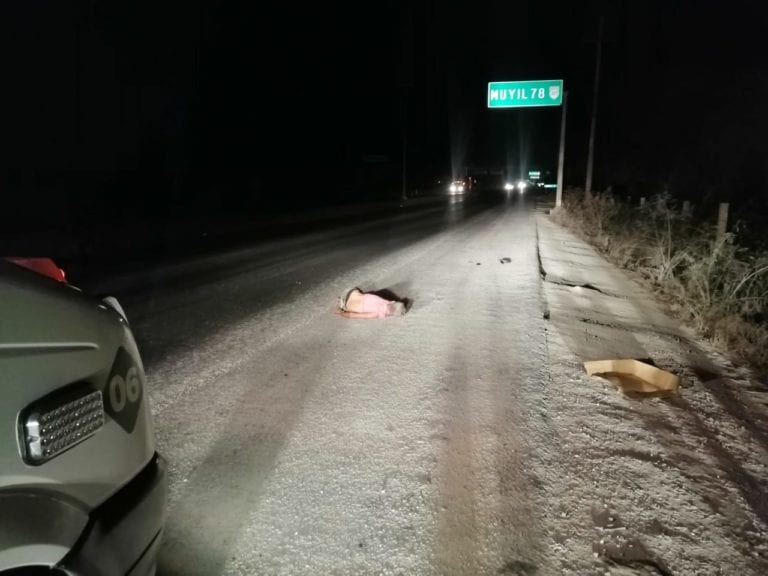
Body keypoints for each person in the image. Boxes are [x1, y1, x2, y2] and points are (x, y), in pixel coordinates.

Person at [335, 288, 408, 319]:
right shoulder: (377, 313)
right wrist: (341, 313)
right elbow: (354, 315)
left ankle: (345, 300)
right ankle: (343, 304)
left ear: (392, 302)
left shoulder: (383, 300)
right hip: (349, 306)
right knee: (353, 307)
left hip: (352, 293)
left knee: (358, 293)